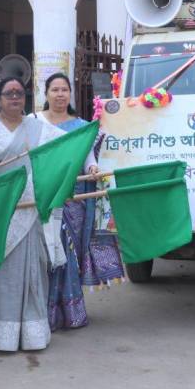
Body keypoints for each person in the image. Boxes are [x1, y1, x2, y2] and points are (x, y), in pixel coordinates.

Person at [0, 77, 65, 352]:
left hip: (30, 212)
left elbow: (62, 151)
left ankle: (34, 334)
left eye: (19, 94)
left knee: (34, 269)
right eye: (8, 93)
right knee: (3, 274)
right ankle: (6, 335)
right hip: (0, 214)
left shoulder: (38, 128)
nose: (14, 98)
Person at [33, 73, 124, 331]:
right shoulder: (34, 123)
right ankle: (43, 314)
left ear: (70, 94)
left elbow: (87, 158)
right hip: (44, 197)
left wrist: (94, 168)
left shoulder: (82, 126)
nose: (60, 94)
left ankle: (71, 313)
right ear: (46, 93)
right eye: (55, 90)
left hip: (74, 200)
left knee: (67, 255)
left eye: (64, 90)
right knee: (44, 254)